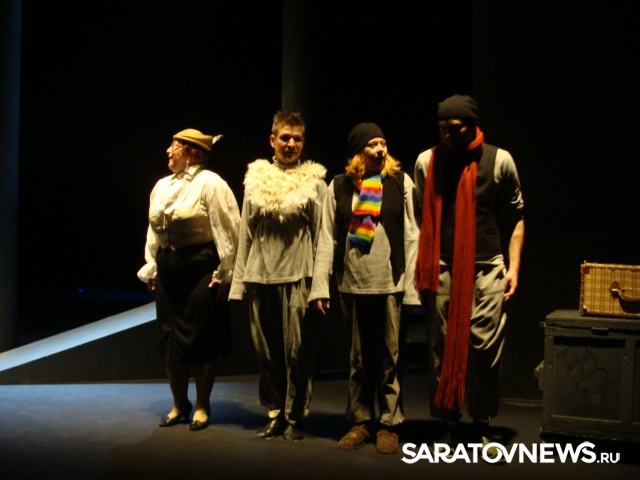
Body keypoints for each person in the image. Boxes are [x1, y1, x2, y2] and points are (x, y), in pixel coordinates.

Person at [414, 95, 525, 456]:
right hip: (442, 266)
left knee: (484, 345)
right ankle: (447, 422)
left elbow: (516, 217)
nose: (447, 133)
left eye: (455, 127)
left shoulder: (499, 160)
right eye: (442, 127)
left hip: (487, 265)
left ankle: (481, 421)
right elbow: (420, 215)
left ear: (472, 125)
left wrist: (513, 267)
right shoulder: (427, 162)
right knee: (441, 344)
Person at [308, 122, 420, 454]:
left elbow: (413, 235)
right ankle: (360, 421)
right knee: (358, 358)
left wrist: (411, 287)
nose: (380, 149)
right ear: (359, 152)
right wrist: (320, 287)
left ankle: (388, 423)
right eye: (373, 144)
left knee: (389, 356)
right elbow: (326, 237)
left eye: (383, 143)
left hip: (390, 282)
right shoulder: (339, 186)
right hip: (352, 283)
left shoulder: (400, 182)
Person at [229, 111, 327, 441]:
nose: (291, 144)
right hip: (260, 275)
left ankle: (295, 416)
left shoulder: (314, 181)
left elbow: (322, 236)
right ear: (273, 140)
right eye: (285, 137)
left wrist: (319, 286)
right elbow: (245, 233)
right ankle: (275, 412)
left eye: (297, 139)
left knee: (297, 352)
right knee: (267, 351)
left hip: (298, 276)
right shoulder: (256, 178)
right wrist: (238, 284)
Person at [137, 128, 240, 431]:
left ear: (192, 152)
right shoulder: (161, 186)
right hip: (169, 270)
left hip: (200, 270)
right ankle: (179, 403)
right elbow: (154, 230)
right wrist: (152, 265)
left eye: (175, 146)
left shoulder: (211, 183)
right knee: (169, 337)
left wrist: (225, 273)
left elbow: (229, 228)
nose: (168, 150)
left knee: (200, 338)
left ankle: (203, 404)